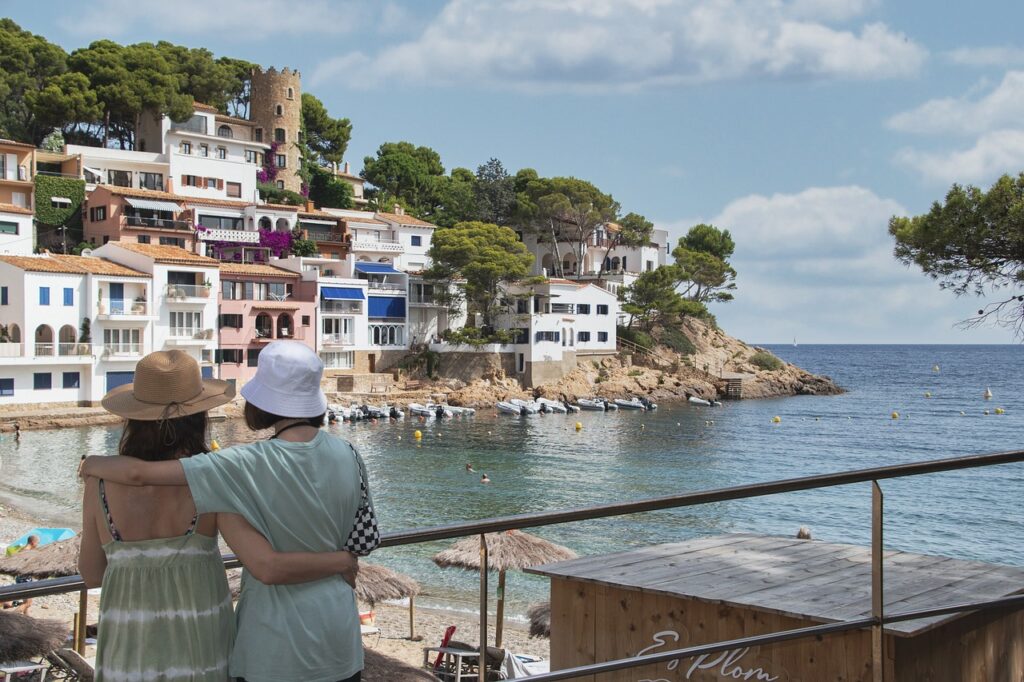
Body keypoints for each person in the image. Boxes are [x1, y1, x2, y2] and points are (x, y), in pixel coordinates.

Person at [82, 342, 378, 682]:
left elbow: (93, 570)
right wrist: (339, 560)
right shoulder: (347, 454)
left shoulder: (104, 483)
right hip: (250, 640)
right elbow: (357, 537)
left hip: (142, 645)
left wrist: (92, 464)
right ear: (198, 416)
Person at [2, 534, 39, 613]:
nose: (37, 545)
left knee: (26, 602)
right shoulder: (27, 552)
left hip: (21, 578)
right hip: (25, 579)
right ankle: (11, 617)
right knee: (28, 603)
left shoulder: (22, 550)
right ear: (33, 543)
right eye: (37, 543)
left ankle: (27, 619)